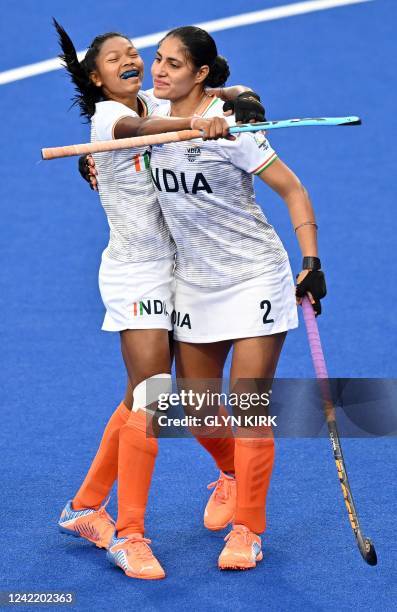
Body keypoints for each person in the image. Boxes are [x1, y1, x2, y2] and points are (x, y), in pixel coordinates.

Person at [53, 20, 266, 580]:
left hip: (178, 273)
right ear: (96, 78)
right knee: (153, 399)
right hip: (137, 276)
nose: (131, 60)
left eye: (133, 53)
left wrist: (235, 98)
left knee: (147, 401)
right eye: (114, 58)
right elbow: (139, 125)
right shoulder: (110, 115)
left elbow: (205, 94)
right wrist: (191, 125)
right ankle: (130, 534)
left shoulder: (152, 94)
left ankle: (84, 508)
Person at [146, 26, 326, 571]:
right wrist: (222, 98)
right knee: (196, 408)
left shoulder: (239, 134)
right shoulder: (148, 111)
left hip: (254, 278)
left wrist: (312, 261)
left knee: (249, 409)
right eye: (158, 59)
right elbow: (124, 116)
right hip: (193, 284)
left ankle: (248, 527)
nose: (159, 71)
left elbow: (292, 189)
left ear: (200, 73)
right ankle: (229, 474)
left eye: (174, 64)